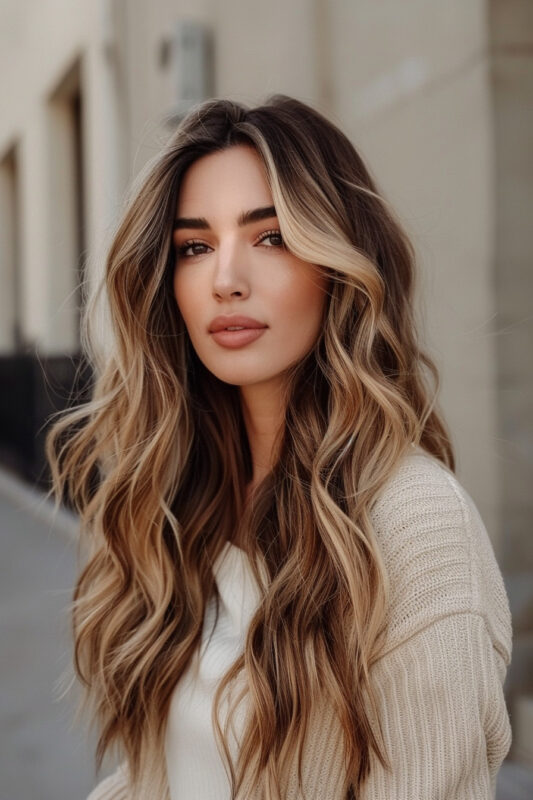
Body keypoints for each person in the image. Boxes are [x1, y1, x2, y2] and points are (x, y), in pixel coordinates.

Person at [46, 94, 512, 800]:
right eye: (193, 247)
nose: (225, 279)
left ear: (340, 263)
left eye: (271, 237)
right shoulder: (183, 504)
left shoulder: (416, 525)